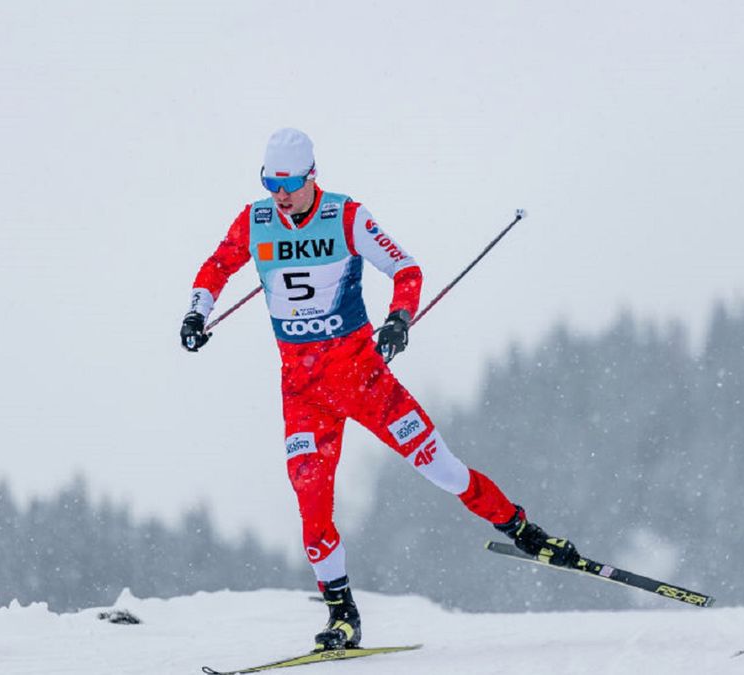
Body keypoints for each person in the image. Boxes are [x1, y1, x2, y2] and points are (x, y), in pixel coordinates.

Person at [180, 128, 578, 651]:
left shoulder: (347, 216)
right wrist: (195, 313)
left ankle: (524, 531)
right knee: (311, 501)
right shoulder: (254, 221)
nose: (280, 193)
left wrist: (398, 320)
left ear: (312, 176)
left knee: (440, 467)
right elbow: (216, 267)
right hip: (302, 390)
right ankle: (342, 614)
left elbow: (406, 268)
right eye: (270, 181)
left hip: (362, 379)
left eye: (290, 182)